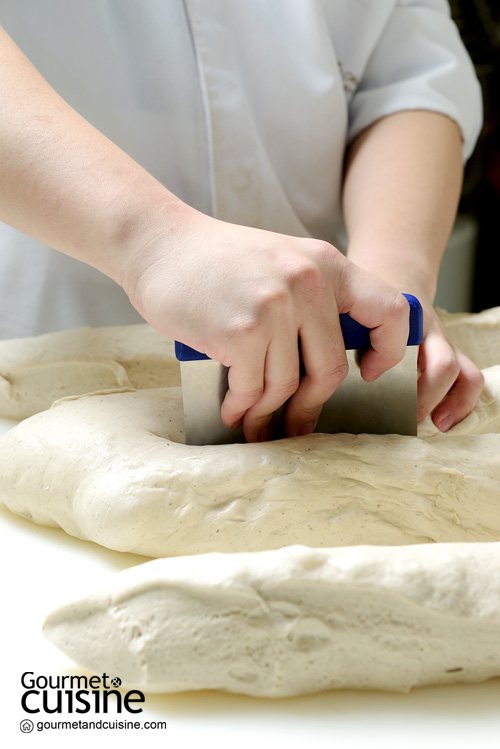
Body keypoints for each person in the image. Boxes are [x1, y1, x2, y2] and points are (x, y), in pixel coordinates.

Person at [0, 1, 485, 442]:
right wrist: (153, 244)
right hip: (41, 353)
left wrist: (386, 282)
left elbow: (405, 76)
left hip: (327, 340)